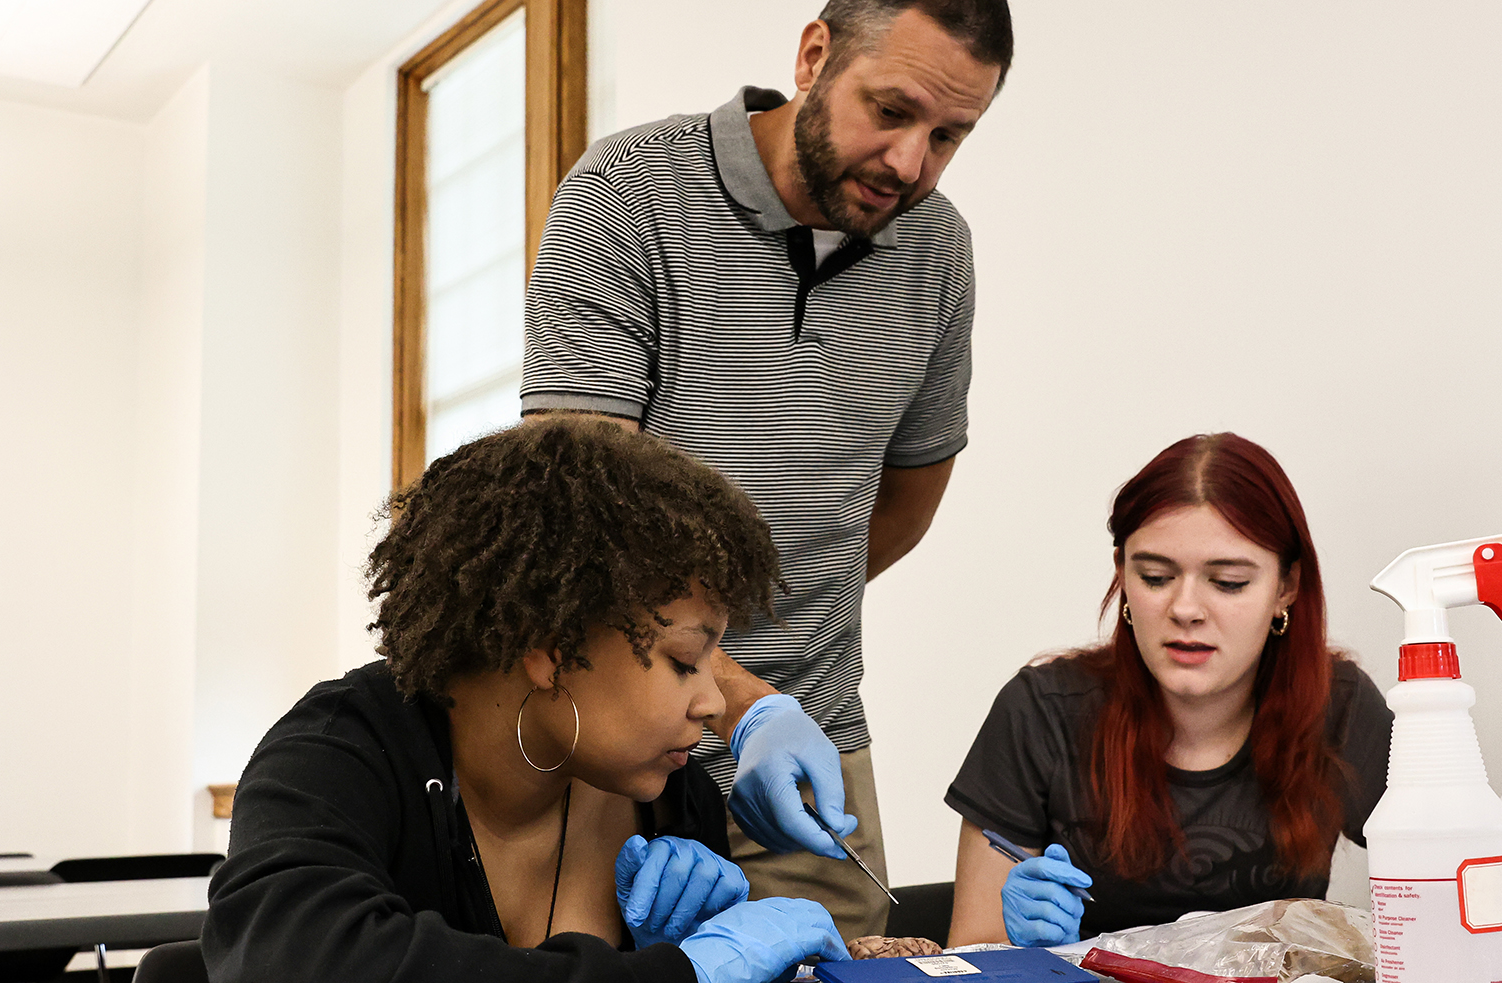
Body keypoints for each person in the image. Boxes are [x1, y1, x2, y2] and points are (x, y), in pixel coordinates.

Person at [521, 0, 1013, 938]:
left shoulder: (938, 253)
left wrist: (778, 649)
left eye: (950, 136)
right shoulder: (628, 192)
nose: (911, 165)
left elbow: (908, 494)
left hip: (811, 735)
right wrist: (733, 693)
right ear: (814, 55)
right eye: (892, 111)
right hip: (607, 727)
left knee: (848, 962)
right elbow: (578, 509)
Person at [205, 418, 850, 983]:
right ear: (551, 646)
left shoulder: (671, 797)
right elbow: (294, 963)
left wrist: (680, 952)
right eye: (686, 661)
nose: (715, 702)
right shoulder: (336, 757)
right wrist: (678, 974)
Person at [943, 433, 1391, 946]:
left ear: (1285, 587)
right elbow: (971, 952)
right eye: (1155, 576)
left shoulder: (1339, 705)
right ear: (1123, 575)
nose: (1185, 609)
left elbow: (1450, 883)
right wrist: (1026, 948)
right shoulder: (1042, 710)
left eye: (1227, 583)